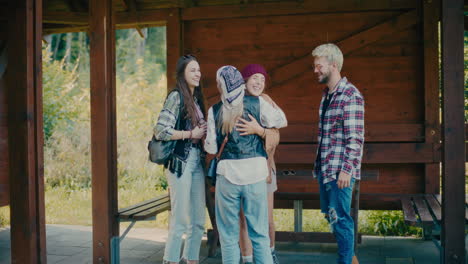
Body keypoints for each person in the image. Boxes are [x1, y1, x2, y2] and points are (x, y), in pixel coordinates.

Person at [204, 66, 287, 264]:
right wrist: (260, 128)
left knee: (229, 237)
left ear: (220, 85)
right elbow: (281, 120)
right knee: (260, 235)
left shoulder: (214, 110)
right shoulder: (258, 102)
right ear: (242, 82)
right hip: (256, 175)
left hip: (228, 177)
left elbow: (211, 148)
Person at [312, 43, 364, 264]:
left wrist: (346, 170)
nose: (315, 70)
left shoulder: (350, 95)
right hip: (326, 170)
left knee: (341, 219)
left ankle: (346, 261)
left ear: (333, 65)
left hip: (340, 172)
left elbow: (355, 138)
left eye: (318, 66)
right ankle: (350, 259)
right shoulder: (328, 95)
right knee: (333, 218)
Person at [154, 54, 207, 264]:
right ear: (182, 74)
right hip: (180, 164)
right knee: (180, 221)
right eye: (192, 70)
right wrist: (190, 134)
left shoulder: (195, 100)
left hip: (196, 162)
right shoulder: (176, 96)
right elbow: (160, 130)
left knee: (198, 221)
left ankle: (191, 259)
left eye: (199, 70)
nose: (198, 73)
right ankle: (171, 260)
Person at [235, 64, 285, 264]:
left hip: (264, 168)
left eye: (262, 79)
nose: (259, 82)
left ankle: (270, 255)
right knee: (244, 221)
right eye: (254, 78)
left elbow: (276, 134)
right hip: (240, 170)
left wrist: (259, 130)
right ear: (245, 81)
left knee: (266, 219)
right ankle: (247, 259)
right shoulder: (235, 103)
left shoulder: (266, 101)